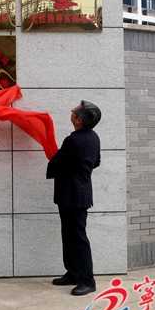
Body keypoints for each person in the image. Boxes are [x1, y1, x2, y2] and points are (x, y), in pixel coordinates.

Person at [46, 100, 101, 296]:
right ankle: (73, 273)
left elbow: (57, 163)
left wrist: (56, 170)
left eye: (74, 111)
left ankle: (87, 280)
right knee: (69, 235)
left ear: (79, 120)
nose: (72, 113)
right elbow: (96, 162)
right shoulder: (93, 137)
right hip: (79, 192)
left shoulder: (74, 140)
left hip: (72, 194)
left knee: (77, 238)